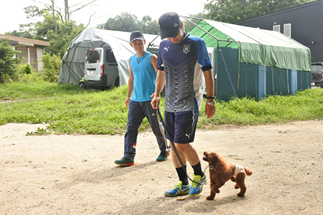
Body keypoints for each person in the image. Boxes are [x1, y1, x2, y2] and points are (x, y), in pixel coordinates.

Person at [151, 12, 216, 197]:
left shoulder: (196, 43)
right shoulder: (163, 45)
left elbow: (207, 72)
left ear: (181, 24)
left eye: (174, 32)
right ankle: (183, 183)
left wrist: (210, 99)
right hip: (170, 101)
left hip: (190, 100)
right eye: (168, 34)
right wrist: (157, 95)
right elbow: (161, 72)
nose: (172, 38)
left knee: (181, 142)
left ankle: (199, 176)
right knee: (173, 143)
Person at [115, 31, 170, 166]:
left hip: (150, 99)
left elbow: (161, 75)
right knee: (131, 128)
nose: (138, 45)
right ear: (131, 45)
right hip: (135, 100)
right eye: (135, 43)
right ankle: (128, 156)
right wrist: (128, 96)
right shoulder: (131, 60)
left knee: (156, 127)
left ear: (144, 42)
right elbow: (131, 79)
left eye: (140, 42)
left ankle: (165, 150)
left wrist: (158, 93)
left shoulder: (152, 57)